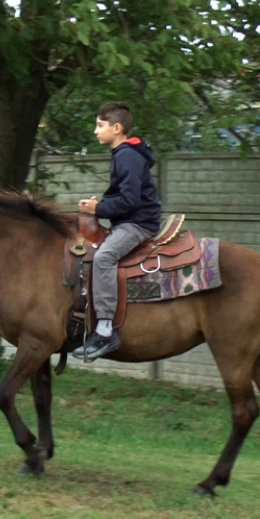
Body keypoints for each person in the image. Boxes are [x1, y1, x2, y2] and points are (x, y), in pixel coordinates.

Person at [73, 102, 161, 361]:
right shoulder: (126, 152)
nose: (95, 131)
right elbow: (123, 197)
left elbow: (130, 201)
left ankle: (104, 329)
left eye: (100, 125)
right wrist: (97, 206)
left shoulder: (126, 155)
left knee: (104, 257)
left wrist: (98, 208)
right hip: (129, 220)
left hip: (138, 224)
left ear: (117, 127)